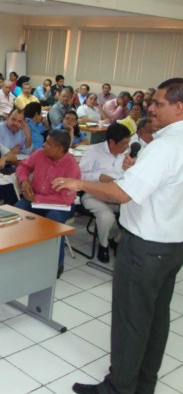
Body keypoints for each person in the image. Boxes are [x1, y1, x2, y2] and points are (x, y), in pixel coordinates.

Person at [53, 78, 183, 394]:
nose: (150, 108)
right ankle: (144, 382)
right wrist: (133, 169)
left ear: (180, 107)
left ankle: (119, 387)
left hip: (146, 246)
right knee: (155, 316)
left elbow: (123, 193)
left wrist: (80, 184)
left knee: (132, 318)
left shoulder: (165, 147)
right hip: (173, 243)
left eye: (159, 103)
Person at [15, 130, 81, 278]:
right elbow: (22, 167)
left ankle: (56, 264)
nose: (44, 144)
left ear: (60, 149)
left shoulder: (71, 167)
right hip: (35, 200)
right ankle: (14, 256)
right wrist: (24, 181)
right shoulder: (39, 154)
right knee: (15, 212)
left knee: (54, 221)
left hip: (60, 206)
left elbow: (66, 199)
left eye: (49, 144)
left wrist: (36, 199)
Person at [79, 123, 131, 264]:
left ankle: (117, 238)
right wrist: (99, 177)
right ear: (112, 142)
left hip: (118, 194)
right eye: (124, 143)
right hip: (94, 194)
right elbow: (79, 176)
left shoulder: (125, 154)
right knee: (107, 216)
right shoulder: (94, 151)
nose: (127, 146)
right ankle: (104, 245)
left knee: (136, 211)